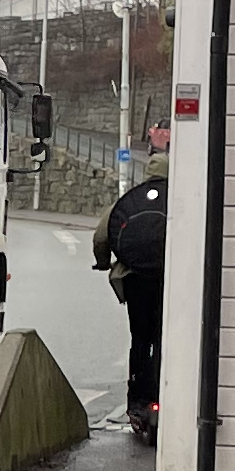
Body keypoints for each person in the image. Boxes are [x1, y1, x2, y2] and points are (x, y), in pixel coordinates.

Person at [94, 159, 168, 444]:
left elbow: (101, 236)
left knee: (140, 338)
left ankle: (137, 398)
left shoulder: (131, 201)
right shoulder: (181, 200)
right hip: (167, 279)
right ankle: (164, 391)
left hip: (135, 280)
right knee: (164, 337)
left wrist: (102, 263)